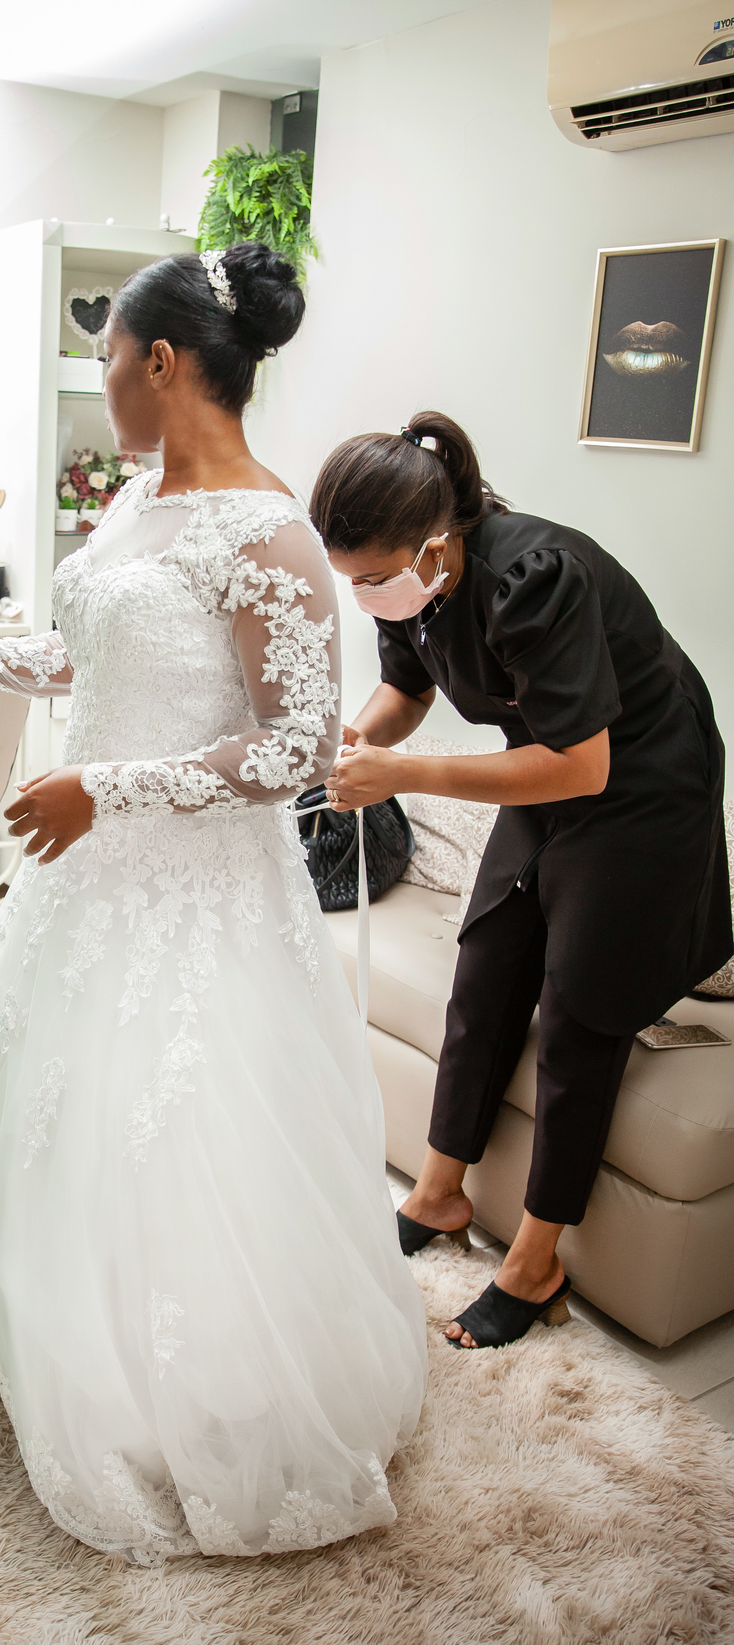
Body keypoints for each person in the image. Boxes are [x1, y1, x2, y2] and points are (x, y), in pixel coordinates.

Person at [0, 243, 427, 1562]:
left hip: (200, 898)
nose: (104, 379)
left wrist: (102, 789)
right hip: (90, 878)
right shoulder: (135, 502)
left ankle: (172, 1397)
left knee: (170, 1140)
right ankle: (35, 1334)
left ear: (163, 363)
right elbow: (99, 652)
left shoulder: (270, 534)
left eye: (109, 358)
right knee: (47, 1116)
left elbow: (298, 749)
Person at [309, 412, 731, 1351]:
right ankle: (438, 1192)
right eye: (355, 583)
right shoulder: (415, 589)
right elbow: (410, 691)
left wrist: (406, 776)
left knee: (581, 1006)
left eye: (376, 578)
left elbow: (582, 765)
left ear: (436, 541)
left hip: (643, 783)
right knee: (488, 963)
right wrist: (359, 740)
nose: (369, 596)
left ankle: (535, 1265)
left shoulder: (535, 577)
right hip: (546, 761)